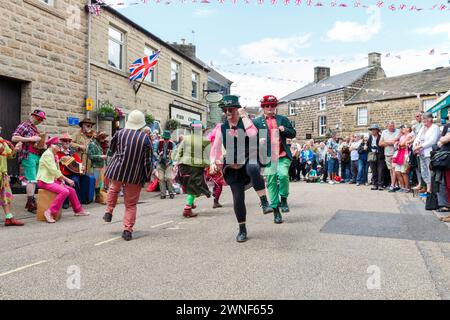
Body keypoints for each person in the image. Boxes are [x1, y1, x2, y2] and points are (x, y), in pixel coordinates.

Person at [210, 95, 273, 242]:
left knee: (252, 168)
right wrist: (213, 161)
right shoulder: (222, 127)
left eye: (230, 109)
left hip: (249, 155)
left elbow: (253, 134)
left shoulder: (245, 121)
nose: (227, 113)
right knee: (237, 198)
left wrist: (244, 117)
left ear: (237, 109)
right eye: (225, 110)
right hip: (232, 164)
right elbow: (216, 147)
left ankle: (264, 202)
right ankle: (242, 229)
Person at [103, 110, 152, 241]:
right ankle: (127, 230)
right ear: (141, 124)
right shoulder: (145, 138)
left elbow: (111, 149)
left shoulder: (119, 133)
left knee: (113, 189)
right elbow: (147, 161)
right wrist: (147, 177)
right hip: (135, 174)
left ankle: (109, 211)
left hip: (118, 170)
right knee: (130, 204)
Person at [253, 95, 297, 221]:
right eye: (267, 106)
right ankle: (276, 210)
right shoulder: (257, 122)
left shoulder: (282, 119)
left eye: (272, 105)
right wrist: (258, 140)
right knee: (271, 182)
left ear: (275, 106)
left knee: (283, 175)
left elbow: (293, 133)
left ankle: (283, 199)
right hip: (267, 157)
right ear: (263, 107)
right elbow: (249, 138)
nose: (270, 108)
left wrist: (285, 130)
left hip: (282, 155)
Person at [36, 137, 90, 223]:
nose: (59, 147)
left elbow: (57, 170)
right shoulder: (47, 155)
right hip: (44, 181)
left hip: (51, 180)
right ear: (52, 146)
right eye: (58, 145)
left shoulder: (54, 154)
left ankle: (78, 210)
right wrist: (67, 180)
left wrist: (62, 180)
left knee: (71, 190)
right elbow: (54, 171)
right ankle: (49, 212)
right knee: (65, 191)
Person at [12, 109, 47, 213]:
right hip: (28, 155)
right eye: (38, 118)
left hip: (36, 155)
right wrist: (31, 139)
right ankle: (31, 203)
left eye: (41, 119)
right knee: (31, 179)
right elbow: (14, 137)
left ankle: (31, 202)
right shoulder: (25, 125)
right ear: (32, 116)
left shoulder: (34, 128)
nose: (39, 120)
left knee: (35, 179)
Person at [174, 121, 211, 217]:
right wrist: (209, 165)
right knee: (194, 187)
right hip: (196, 167)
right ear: (202, 130)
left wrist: (176, 162)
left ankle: (191, 202)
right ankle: (187, 208)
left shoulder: (185, 139)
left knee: (189, 185)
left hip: (184, 165)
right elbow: (208, 155)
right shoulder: (205, 140)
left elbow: (179, 151)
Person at [0, 129, 24, 226]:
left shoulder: (3, 142)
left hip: (3, 174)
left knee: (6, 197)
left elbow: (9, 155)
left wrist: (16, 149)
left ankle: (9, 218)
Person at [413, 112, 441, 195]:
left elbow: (432, 141)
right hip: (421, 153)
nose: (424, 121)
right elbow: (417, 138)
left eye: (425, 120)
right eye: (423, 120)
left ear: (430, 120)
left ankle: (431, 191)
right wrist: (415, 146)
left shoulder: (435, 127)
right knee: (424, 171)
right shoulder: (423, 128)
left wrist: (420, 147)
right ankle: (428, 190)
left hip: (430, 153)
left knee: (430, 172)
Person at [56, 133, 83, 208]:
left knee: (75, 181)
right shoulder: (57, 151)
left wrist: (81, 167)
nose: (67, 142)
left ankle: (77, 201)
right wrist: (59, 160)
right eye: (65, 140)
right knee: (64, 182)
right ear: (61, 141)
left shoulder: (72, 152)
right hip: (61, 174)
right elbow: (53, 162)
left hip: (72, 173)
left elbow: (79, 163)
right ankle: (65, 202)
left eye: (69, 141)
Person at [380, 121, 401, 192]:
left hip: (395, 153)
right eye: (390, 126)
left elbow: (396, 141)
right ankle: (396, 185)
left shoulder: (398, 131)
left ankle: (393, 185)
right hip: (387, 153)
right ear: (387, 126)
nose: (391, 127)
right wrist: (390, 142)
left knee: (394, 169)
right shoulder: (384, 132)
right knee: (391, 170)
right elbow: (380, 143)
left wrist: (386, 142)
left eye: (392, 126)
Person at [88, 131, 108, 204]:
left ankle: (99, 197)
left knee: (100, 183)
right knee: (97, 183)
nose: (104, 138)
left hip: (100, 166)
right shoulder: (92, 144)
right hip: (95, 166)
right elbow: (90, 156)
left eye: (104, 137)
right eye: (102, 137)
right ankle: (98, 198)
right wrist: (101, 156)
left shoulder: (98, 145)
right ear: (98, 137)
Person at [393, 125, 414, 193]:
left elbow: (401, 144)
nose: (403, 129)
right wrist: (399, 144)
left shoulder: (409, 135)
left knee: (404, 172)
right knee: (397, 172)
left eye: (405, 127)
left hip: (405, 155)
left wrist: (399, 144)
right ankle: (402, 187)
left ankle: (407, 188)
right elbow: (396, 143)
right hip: (399, 154)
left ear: (408, 129)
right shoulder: (401, 136)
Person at [156, 130, 176, 200]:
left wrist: (171, 160)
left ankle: (171, 192)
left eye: (167, 139)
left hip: (168, 163)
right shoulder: (158, 143)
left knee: (168, 178)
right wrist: (157, 157)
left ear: (169, 138)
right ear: (163, 137)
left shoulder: (172, 144)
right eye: (165, 138)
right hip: (160, 163)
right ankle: (163, 194)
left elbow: (174, 153)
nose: (166, 140)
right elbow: (154, 151)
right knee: (161, 178)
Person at [437, 121, 450, 222]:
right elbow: (440, 140)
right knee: (448, 186)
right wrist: (443, 139)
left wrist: (444, 139)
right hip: (446, 159)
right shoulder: (447, 126)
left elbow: (445, 139)